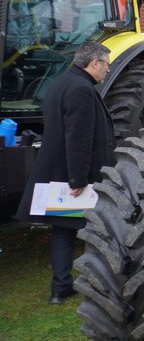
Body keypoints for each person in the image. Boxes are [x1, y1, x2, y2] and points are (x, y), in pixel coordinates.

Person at [15, 41, 115, 305]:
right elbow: (79, 138)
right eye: (107, 64)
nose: (108, 69)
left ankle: (60, 288)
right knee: (98, 229)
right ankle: (99, 284)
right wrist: (78, 179)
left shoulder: (60, 83)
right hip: (76, 177)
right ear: (94, 63)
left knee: (63, 230)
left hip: (58, 172)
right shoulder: (81, 89)